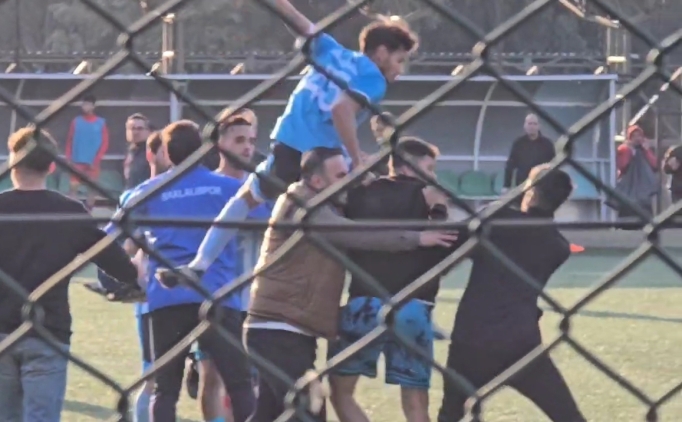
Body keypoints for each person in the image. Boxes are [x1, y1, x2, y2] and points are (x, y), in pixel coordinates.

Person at [178, 0, 419, 277]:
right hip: (324, 158)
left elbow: (292, 15)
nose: (400, 70)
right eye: (399, 60)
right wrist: (356, 160)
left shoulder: (330, 50)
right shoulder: (374, 79)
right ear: (381, 52)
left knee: (245, 200)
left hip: (288, 144)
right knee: (352, 212)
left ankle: (199, 264)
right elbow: (341, 109)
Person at [237, 146, 456, 422]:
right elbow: (354, 234)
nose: (350, 181)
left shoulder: (326, 201)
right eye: (342, 175)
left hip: (289, 327)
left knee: (269, 413)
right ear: (318, 181)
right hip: (277, 329)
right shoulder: (304, 206)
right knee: (310, 411)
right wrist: (417, 237)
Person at [0, 127, 138, 422]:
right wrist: (137, 267)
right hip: (48, 328)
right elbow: (120, 267)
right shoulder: (68, 212)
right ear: (52, 166)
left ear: (12, 163)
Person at [122, 120, 255, 422]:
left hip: (167, 295)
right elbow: (267, 214)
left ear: (167, 153)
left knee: (165, 390)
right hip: (217, 294)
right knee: (239, 384)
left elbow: (117, 232)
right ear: (203, 150)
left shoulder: (149, 190)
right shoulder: (229, 188)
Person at [437, 164, 586, 422]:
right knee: (567, 415)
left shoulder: (496, 223)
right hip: (521, 341)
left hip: (472, 338)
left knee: (450, 414)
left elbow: (451, 239)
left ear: (532, 192)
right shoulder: (557, 246)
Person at [328, 137, 458, 422]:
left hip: (364, 304)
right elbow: (442, 252)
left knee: (341, 393)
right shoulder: (430, 197)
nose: (433, 176)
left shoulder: (359, 193)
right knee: (415, 404)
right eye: (429, 168)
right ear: (408, 167)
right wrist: (438, 210)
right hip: (413, 306)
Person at [188, 110, 270, 422]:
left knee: (252, 380)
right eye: (239, 140)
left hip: (256, 300)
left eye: (251, 140)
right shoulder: (208, 188)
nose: (248, 147)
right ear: (219, 143)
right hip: (217, 298)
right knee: (211, 376)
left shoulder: (261, 188)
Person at [95, 130, 170, 422]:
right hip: (154, 297)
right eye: (166, 150)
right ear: (152, 154)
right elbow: (113, 240)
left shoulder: (192, 190)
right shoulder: (138, 196)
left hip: (197, 295)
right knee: (154, 375)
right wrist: (129, 264)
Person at [65, 94, 109, 209]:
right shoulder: (76, 121)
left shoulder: (101, 123)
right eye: (84, 104)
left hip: (93, 162)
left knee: (92, 188)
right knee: (73, 187)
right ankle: (72, 210)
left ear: (93, 106)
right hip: (77, 160)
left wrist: (96, 159)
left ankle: (89, 211)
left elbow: (105, 143)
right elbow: (70, 139)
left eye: (88, 104)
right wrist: (68, 157)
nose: (85, 107)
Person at [502, 113, 555, 193]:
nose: (532, 126)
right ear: (525, 126)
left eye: (534, 124)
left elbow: (553, 165)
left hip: (542, 186)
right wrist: (506, 186)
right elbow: (510, 165)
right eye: (529, 123)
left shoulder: (547, 144)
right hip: (522, 185)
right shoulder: (518, 143)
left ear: (539, 126)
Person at [123, 113, 153, 190]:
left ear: (149, 131)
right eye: (132, 128)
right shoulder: (130, 151)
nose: (135, 132)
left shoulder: (153, 151)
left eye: (140, 129)